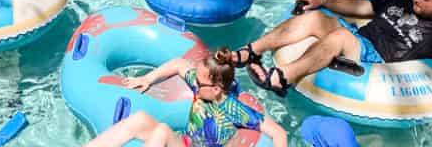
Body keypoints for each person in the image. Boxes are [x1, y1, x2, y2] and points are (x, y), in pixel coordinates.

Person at [235, 0, 432, 140]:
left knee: (340, 39)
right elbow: (361, 6)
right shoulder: (399, 1)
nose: (417, 0)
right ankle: (251, 50)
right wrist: (323, 0)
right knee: (314, 18)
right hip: (358, 35)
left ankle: (283, 78)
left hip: (374, 58)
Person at [80, 47, 287, 147]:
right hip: (185, 142)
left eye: (199, 83)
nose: (194, 85)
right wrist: (148, 79)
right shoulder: (203, 85)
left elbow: (279, 133)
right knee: (140, 119)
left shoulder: (235, 110)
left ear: (216, 89)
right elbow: (179, 64)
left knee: (161, 130)